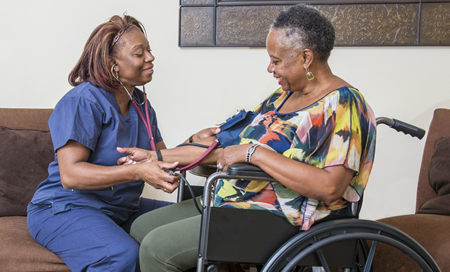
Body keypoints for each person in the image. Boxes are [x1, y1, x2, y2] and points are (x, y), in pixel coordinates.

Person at [118, 4, 377, 272]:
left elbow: (330, 187)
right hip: (235, 202)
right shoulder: (282, 96)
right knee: (140, 227)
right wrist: (154, 156)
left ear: (306, 58)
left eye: (276, 61)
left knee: (156, 250)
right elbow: (223, 148)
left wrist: (255, 153)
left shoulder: (344, 104)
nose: (270, 68)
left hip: (282, 218)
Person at [25, 14, 213, 272]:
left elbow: (157, 157)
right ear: (112, 63)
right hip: (64, 208)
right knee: (123, 256)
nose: (151, 57)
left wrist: (193, 141)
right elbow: (70, 175)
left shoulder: (142, 105)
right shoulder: (83, 101)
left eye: (149, 49)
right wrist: (136, 171)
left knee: (194, 223)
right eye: (140, 53)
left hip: (119, 208)